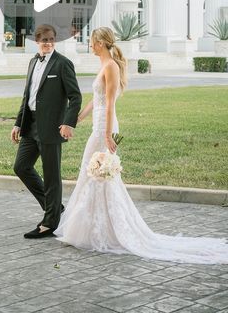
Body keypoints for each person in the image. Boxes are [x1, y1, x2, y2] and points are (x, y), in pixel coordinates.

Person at [54, 27, 228, 264]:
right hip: (98, 126)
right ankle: (93, 229)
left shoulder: (111, 67)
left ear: (102, 43)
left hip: (106, 128)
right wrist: (77, 119)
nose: (90, 46)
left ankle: (107, 232)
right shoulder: (104, 65)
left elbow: (110, 103)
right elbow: (97, 100)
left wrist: (106, 135)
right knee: (92, 175)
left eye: (93, 42)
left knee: (101, 176)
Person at [11, 23, 82, 239]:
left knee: (52, 177)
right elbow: (28, 96)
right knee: (21, 167)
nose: (48, 43)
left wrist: (68, 123)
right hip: (30, 125)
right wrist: (17, 123)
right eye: (44, 40)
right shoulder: (33, 62)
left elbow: (75, 96)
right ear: (37, 41)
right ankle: (55, 208)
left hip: (52, 128)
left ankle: (50, 223)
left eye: (52, 39)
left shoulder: (63, 64)